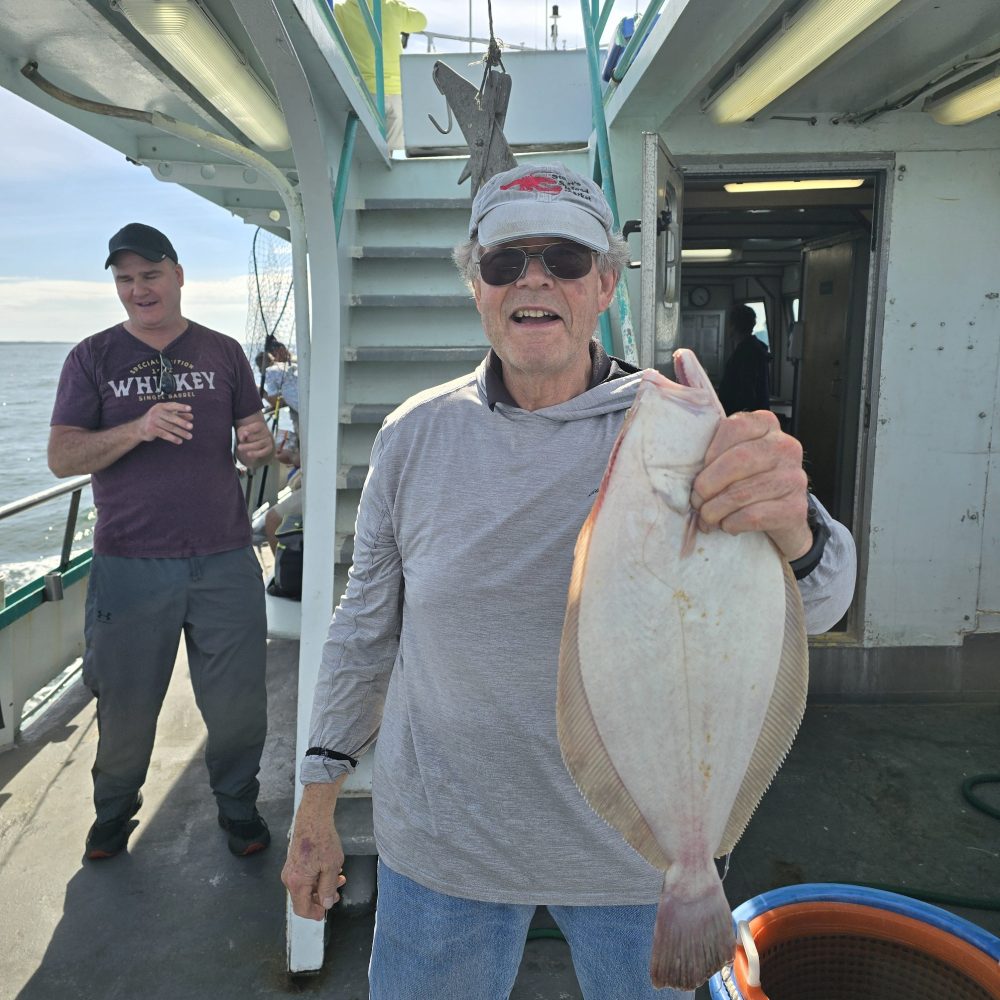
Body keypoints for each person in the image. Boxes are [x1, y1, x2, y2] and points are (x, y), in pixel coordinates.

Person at [281, 163, 857, 998]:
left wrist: (795, 528)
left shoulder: (681, 426)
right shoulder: (413, 438)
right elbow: (364, 629)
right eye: (506, 261)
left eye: (566, 259)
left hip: (639, 859)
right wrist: (315, 806)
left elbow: (819, 601)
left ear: (606, 284)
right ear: (475, 283)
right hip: (447, 846)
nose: (534, 279)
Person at [48, 223, 275, 861]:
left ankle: (239, 807)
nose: (138, 289)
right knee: (126, 708)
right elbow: (63, 456)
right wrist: (138, 427)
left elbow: (254, 438)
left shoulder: (225, 352)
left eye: (150, 274)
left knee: (237, 708)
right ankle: (113, 815)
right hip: (129, 563)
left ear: (178, 275)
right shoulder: (91, 358)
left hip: (225, 557)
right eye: (125, 278)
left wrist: (260, 447)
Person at [334, 0, 428, 153]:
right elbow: (421, 21)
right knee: (391, 152)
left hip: (365, 90)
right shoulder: (391, 7)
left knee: (364, 146)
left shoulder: (342, 11)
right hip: (396, 91)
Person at [718, 303, 771, 415]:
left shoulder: (746, 353)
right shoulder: (755, 348)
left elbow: (747, 391)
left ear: (733, 326)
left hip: (744, 418)